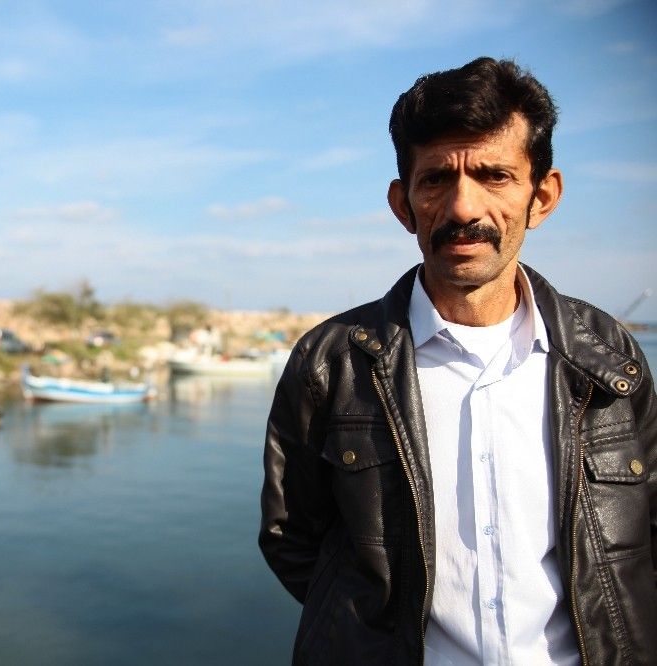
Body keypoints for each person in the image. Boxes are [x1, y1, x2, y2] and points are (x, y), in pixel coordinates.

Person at [259, 57, 656, 665]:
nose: (464, 208)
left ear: (542, 196)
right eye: (437, 179)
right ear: (403, 204)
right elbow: (293, 539)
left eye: (495, 176)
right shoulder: (332, 364)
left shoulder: (607, 357)